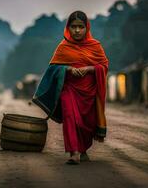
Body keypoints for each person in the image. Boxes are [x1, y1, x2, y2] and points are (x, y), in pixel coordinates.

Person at [33, 10, 109, 165]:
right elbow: (53, 68)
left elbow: (104, 66)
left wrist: (89, 69)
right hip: (69, 88)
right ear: (68, 28)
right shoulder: (63, 47)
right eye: (73, 26)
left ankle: (83, 150)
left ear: (87, 28)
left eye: (80, 27)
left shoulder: (95, 46)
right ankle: (73, 152)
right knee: (70, 118)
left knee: (86, 123)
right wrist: (68, 69)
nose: (77, 30)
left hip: (89, 92)